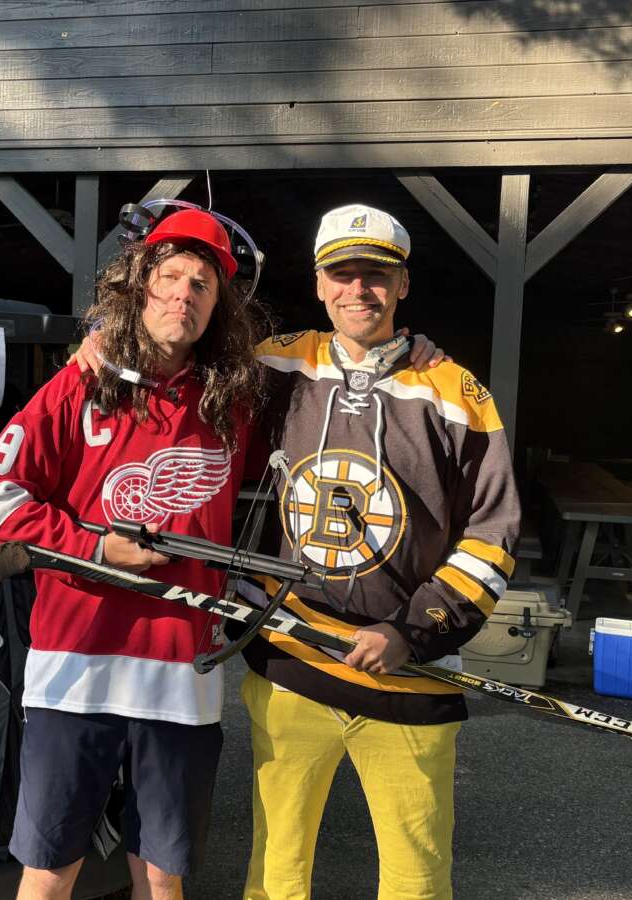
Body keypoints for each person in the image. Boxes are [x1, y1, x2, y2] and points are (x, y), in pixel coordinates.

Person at [0, 206, 264, 900]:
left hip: (182, 672)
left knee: (162, 876)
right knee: (49, 871)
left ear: (219, 306)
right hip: (76, 666)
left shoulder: (236, 397)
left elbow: (340, 357)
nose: (183, 294)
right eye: (170, 276)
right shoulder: (82, 383)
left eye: (202, 285)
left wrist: (411, 345)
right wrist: (95, 547)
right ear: (138, 285)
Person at [238, 204, 521, 900]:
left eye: (377, 274)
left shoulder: (456, 392)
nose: (358, 289)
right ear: (318, 282)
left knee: (416, 880)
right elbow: (171, 356)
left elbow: (492, 534)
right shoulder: (272, 363)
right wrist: (98, 342)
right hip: (293, 661)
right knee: (276, 873)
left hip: (411, 675)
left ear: (403, 284)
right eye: (342, 273)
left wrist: (412, 631)